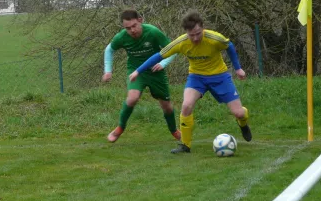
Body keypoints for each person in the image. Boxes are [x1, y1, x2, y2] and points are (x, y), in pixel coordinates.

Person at [129, 10, 252, 153]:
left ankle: (243, 124)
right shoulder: (181, 42)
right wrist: (138, 71)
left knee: (239, 113)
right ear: (186, 32)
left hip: (220, 76)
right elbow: (159, 55)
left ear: (203, 27)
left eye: (198, 33)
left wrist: (238, 68)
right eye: (191, 35)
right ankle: (185, 145)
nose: (194, 38)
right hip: (197, 77)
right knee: (186, 105)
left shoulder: (214, 38)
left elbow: (229, 46)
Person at [103, 9, 180, 143]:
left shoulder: (153, 32)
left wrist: (163, 63)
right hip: (135, 71)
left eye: (134, 26)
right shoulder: (121, 37)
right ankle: (120, 128)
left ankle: (174, 130)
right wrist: (108, 70)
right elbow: (109, 50)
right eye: (128, 28)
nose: (132, 30)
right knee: (132, 98)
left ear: (140, 20)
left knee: (166, 106)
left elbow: (173, 49)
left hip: (156, 72)